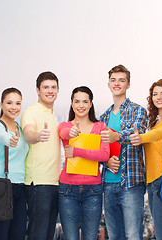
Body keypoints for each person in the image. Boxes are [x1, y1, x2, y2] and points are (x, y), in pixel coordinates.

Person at [130, 79, 162, 240]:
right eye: (155, 94)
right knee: (161, 231)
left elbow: (160, 133)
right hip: (151, 181)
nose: (158, 97)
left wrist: (142, 137)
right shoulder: (153, 123)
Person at [100, 64, 148, 240]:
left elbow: (138, 132)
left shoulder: (138, 111)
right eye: (113, 80)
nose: (117, 83)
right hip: (108, 183)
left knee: (133, 235)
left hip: (131, 184)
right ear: (108, 84)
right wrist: (105, 162)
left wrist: (117, 136)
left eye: (121, 80)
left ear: (128, 85)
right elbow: (98, 149)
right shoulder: (103, 117)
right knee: (114, 236)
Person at [58, 86, 110, 240]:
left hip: (93, 190)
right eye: (77, 101)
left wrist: (76, 151)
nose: (81, 105)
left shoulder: (100, 127)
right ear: (72, 104)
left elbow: (104, 154)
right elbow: (63, 133)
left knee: (90, 237)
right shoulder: (65, 126)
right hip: (67, 189)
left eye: (85, 102)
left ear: (90, 104)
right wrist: (72, 132)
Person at [20, 71, 61, 240]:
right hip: (38, 183)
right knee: (38, 234)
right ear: (37, 90)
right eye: (45, 87)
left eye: (53, 87)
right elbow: (28, 133)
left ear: (58, 90)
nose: (50, 91)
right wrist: (38, 136)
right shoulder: (30, 111)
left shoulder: (53, 116)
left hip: (54, 182)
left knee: (48, 235)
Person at [0, 87, 29, 240]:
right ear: (1, 105)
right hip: (2, 188)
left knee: (18, 235)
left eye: (18, 103)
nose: (14, 107)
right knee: (0, 235)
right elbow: (3, 137)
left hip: (20, 187)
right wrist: (10, 140)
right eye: (9, 103)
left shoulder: (19, 127)